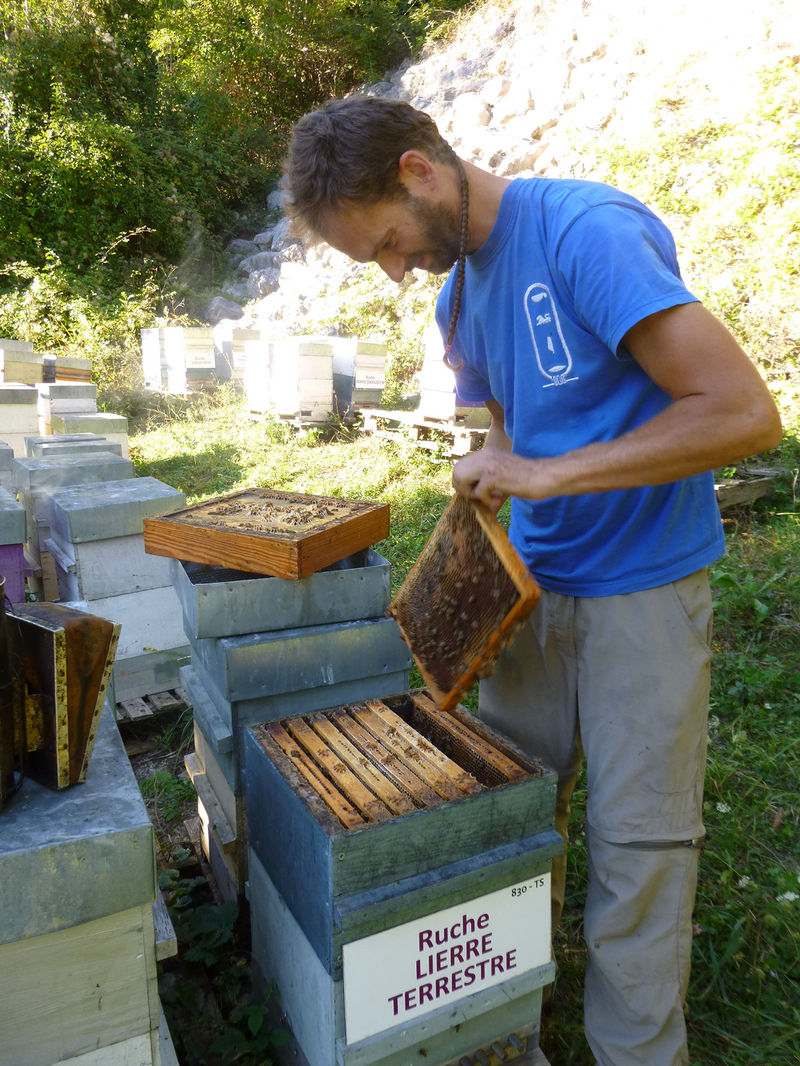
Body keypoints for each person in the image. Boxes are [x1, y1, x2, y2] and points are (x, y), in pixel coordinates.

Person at [282, 95, 782, 1066]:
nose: (393, 271)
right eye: (371, 261)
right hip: (530, 591)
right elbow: (500, 430)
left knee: (637, 840)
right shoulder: (454, 294)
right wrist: (491, 470)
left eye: (386, 242)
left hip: (641, 586)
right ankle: (510, 1015)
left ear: (417, 171)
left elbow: (739, 413)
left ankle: (636, 1048)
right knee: (509, 811)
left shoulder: (584, 234)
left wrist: (546, 473)